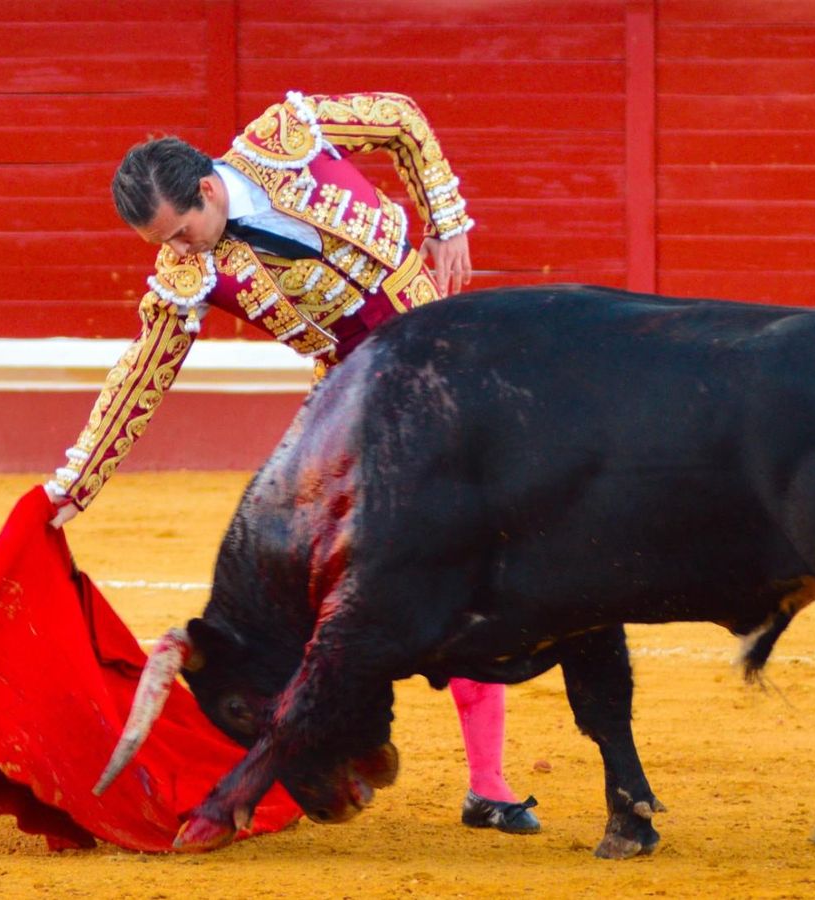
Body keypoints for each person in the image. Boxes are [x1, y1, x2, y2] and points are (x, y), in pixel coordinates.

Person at [40, 91, 539, 835]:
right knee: (350, 579)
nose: (179, 252)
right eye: (163, 243)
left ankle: (486, 784)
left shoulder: (286, 135)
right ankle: (326, 751)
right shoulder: (188, 273)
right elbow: (142, 374)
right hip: (359, 405)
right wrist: (75, 483)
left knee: (481, 559)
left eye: (181, 233)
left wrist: (447, 222)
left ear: (207, 189)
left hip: (447, 357)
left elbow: (401, 120)